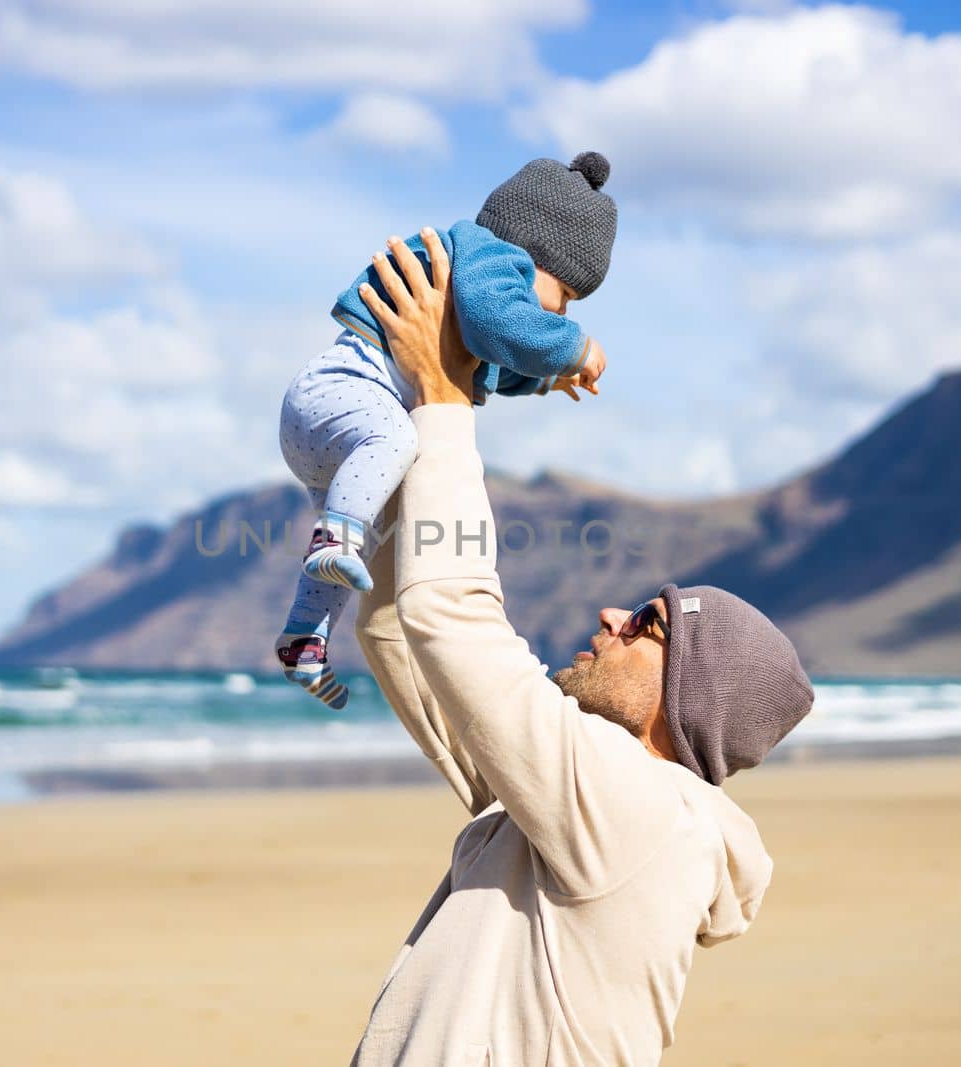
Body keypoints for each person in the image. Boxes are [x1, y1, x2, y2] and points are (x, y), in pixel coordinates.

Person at [345, 229, 815, 1065]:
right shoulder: (568, 805)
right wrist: (390, 437)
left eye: (648, 625)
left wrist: (446, 401)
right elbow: (400, 632)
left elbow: (452, 620)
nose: (612, 616)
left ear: (689, 701)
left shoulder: (640, 813)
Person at [275, 152, 616, 709]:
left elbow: (490, 361)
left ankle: (304, 639)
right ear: (539, 256)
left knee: (363, 542)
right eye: (569, 298)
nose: (562, 311)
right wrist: (574, 345)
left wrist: (544, 380)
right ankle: (335, 539)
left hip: (334, 428)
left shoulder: (477, 284)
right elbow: (502, 324)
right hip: (338, 393)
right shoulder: (491, 255)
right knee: (395, 447)